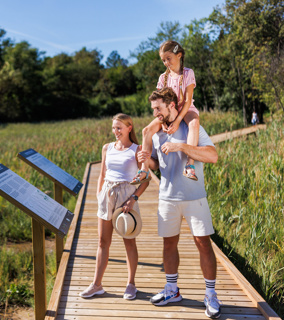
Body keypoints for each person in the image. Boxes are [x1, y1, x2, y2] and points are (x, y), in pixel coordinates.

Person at [137, 87, 221, 319]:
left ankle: (211, 294)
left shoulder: (191, 127)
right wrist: (148, 160)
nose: (155, 113)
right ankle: (172, 290)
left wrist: (181, 146)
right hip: (167, 198)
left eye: (158, 109)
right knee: (168, 245)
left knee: (203, 244)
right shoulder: (156, 133)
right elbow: (156, 164)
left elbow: (212, 156)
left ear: (171, 105)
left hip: (195, 198)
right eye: (153, 109)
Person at [79, 113, 149, 300]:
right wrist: (98, 194)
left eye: (119, 128)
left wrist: (133, 199)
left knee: (129, 241)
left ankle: (131, 284)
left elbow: (146, 180)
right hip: (107, 195)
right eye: (113, 128)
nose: (116, 131)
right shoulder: (107, 148)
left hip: (127, 196)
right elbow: (102, 174)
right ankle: (96, 285)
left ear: (129, 128)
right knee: (103, 241)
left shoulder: (137, 149)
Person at [132, 40, 201, 185]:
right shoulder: (162, 77)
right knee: (146, 130)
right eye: (163, 60)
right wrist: (163, 121)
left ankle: (190, 164)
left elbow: (188, 101)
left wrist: (177, 121)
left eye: (168, 58)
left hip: (185, 109)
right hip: (167, 111)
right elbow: (159, 103)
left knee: (194, 124)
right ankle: (144, 170)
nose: (165, 62)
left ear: (179, 55)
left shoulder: (188, 73)